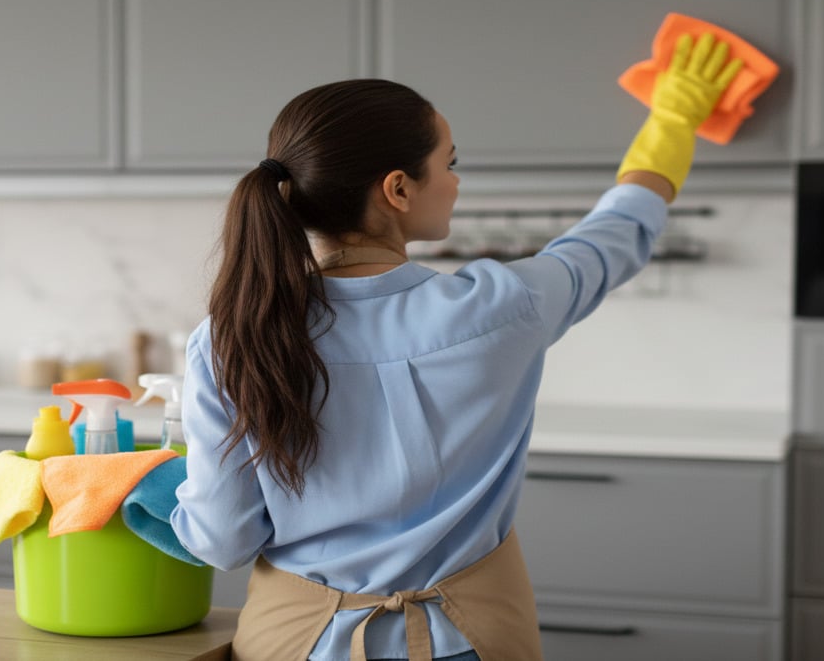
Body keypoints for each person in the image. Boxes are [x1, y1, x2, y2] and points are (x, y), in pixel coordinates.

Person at [173, 33, 743, 661]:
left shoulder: (232, 337)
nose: (455, 179)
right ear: (398, 189)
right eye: (448, 161)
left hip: (295, 646)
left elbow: (221, 540)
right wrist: (673, 119)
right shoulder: (503, 306)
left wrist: (148, 490)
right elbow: (615, 235)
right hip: (469, 643)